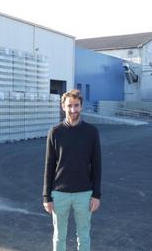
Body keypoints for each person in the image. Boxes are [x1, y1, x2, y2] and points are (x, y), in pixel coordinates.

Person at [43, 89, 102, 251]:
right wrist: (46, 196)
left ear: (81, 106)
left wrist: (96, 195)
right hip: (59, 193)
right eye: (69, 105)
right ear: (63, 106)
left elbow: (96, 165)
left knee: (83, 236)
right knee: (59, 237)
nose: (73, 110)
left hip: (84, 193)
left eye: (76, 105)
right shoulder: (55, 132)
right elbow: (49, 165)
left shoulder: (91, 132)